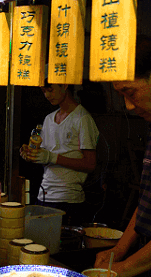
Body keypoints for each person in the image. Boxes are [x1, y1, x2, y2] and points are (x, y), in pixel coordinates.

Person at [94, 36, 151, 277]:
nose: (128, 106)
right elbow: (149, 199)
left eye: (130, 93)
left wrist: (126, 267)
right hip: (150, 265)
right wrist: (120, 249)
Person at [20, 82, 99, 225]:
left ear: (65, 85)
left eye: (50, 90)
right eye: (44, 91)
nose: (47, 95)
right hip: (44, 195)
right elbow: (44, 155)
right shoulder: (49, 119)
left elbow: (90, 164)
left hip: (68, 199)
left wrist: (52, 157)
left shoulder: (82, 119)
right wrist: (32, 155)